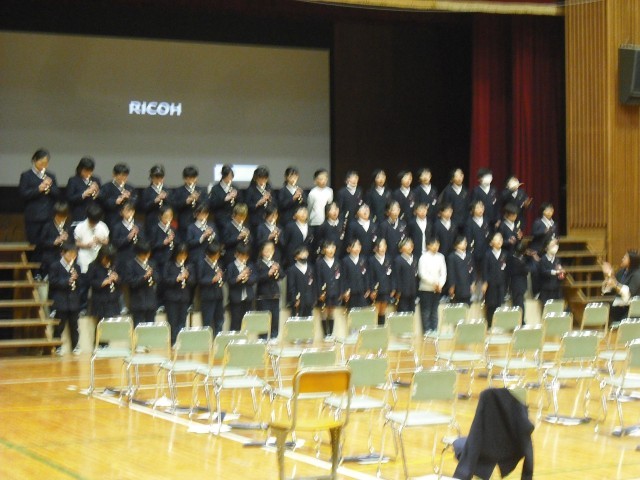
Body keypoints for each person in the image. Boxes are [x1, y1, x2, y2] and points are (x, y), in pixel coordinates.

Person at [19, 148, 60, 267]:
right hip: (33, 217)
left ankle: (45, 270)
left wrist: (50, 187)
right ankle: (34, 271)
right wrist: (38, 189)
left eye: (46, 163)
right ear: (34, 160)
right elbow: (23, 194)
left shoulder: (50, 176)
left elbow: (57, 194)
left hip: (48, 217)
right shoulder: (26, 175)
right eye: (41, 162)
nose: (43, 165)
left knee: (48, 245)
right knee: (34, 245)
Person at [74, 204, 110, 311]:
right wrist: (86, 245)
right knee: (84, 286)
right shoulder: (80, 227)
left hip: (98, 261)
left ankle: (96, 309)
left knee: (98, 286)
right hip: (84, 260)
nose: (94, 223)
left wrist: (100, 241)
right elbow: (76, 243)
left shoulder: (102, 226)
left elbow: (107, 241)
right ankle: (83, 309)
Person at [49, 242, 81, 355]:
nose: (72, 256)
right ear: (62, 253)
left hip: (73, 301)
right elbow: (52, 282)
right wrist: (67, 281)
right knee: (59, 325)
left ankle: (75, 346)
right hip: (60, 301)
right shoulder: (55, 266)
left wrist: (76, 279)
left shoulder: (76, 267)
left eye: (74, 254)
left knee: (74, 325)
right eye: (70, 253)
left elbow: (80, 285)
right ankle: (57, 347)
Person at [162, 243, 194, 344]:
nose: (183, 257)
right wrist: (177, 279)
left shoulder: (189, 266)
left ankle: (181, 343)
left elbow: (193, 282)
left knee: (182, 322)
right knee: (172, 322)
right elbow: (164, 281)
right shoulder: (169, 265)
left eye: (185, 255)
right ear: (176, 254)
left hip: (184, 298)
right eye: (181, 254)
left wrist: (187, 277)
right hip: (171, 299)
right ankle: (173, 343)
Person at [123, 241, 159, 326]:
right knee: (139, 328)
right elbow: (131, 283)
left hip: (150, 302)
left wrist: (152, 275)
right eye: (144, 254)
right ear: (138, 253)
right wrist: (144, 277)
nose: (147, 256)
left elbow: (157, 279)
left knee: (151, 327)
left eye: (148, 253)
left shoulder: (151, 264)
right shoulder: (130, 265)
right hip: (138, 303)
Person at [225, 243, 256, 331]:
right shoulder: (231, 266)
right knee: (235, 322)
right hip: (236, 299)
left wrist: (247, 278)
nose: (244, 258)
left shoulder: (250, 265)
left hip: (248, 298)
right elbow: (229, 282)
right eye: (242, 256)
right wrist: (238, 277)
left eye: (246, 256)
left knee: (247, 321)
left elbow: (255, 278)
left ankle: (245, 338)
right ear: (236, 254)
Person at [255, 241, 284, 337]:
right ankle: (263, 338)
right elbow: (257, 278)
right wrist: (268, 273)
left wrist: (278, 270)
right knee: (263, 318)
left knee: (275, 318)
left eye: (271, 250)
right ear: (262, 251)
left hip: (275, 295)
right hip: (263, 296)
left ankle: (274, 337)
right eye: (266, 250)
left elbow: (282, 276)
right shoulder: (258, 263)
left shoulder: (275, 263)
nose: (269, 252)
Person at [417, 236, 446, 332]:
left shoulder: (441, 257)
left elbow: (443, 273)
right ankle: (427, 331)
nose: (436, 247)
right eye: (434, 245)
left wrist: (440, 284)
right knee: (426, 311)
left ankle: (434, 330)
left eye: (437, 245)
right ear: (428, 246)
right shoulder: (423, 257)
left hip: (437, 289)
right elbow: (422, 274)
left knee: (434, 311)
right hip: (426, 288)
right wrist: (434, 283)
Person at [602, 250, 640, 323]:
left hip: (631, 307)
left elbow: (630, 293)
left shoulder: (637, 274)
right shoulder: (621, 272)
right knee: (603, 306)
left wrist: (615, 284)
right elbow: (612, 287)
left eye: (625, 257)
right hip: (619, 304)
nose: (622, 259)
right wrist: (608, 276)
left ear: (631, 261)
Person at [149, 206, 177, 301]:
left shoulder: (172, 228)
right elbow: (151, 245)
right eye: (166, 216)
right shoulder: (155, 229)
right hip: (159, 260)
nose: (168, 219)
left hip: (170, 259)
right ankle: (159, 302)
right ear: (160, 216)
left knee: (170, 281)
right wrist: (163, 242)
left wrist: (174, 240)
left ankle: (167, 301)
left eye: (170, 216)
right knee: (160, 281)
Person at [197, 242, 226, 335]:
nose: (218, 256)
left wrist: (222, 276)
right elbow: (200, 280)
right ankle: (208, 340)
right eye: (216, 254)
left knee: (220, 320)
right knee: (207, 321)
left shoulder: (218, 263)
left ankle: (218, 338)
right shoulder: (202, 263)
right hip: (207, 296)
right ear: (210, 254)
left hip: (218, 295)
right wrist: (212, 279)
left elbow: (223, 278)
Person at [87, 245, 122, 320]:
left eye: (109, 259)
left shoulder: (114, 265)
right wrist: (102, 282)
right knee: (102, 324)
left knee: (114, 322)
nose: (107, 261)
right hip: (100, 301)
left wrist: (117, 278)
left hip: (113, 300)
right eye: (106, 259)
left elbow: (122, 280)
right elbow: (89, 282)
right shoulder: (93, 266)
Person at [316, 240, 343, 335]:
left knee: (331, 312)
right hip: (324, 293)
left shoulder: (338, 262)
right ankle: (325, 334)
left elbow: (340, 278)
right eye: (328, 247)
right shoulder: (320, 263)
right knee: (324, 312)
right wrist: (320, 293)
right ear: (324, 250)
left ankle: (330, 334)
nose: (331, 250)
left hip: (334, 292)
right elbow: (318, 279)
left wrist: (340, 292)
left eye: (333, 247)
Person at [482, 232, 508, 327]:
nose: (499, 241)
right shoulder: (487, 254)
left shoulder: (504, 254)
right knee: (491, 305)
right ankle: (489, 326)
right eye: (497, 239)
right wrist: (485, 282)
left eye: (501, 239)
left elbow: (507, 270)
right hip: (491, 284)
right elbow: (485, 270)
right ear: (492, 242)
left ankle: (498, 325)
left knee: (499, 305)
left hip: (501, 284)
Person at [100, 163, 136, 230]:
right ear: (114, 175)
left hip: (127, 221)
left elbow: (135, 203)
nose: (123, 177)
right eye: (121, 175)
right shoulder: (106, 187)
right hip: (112, 220)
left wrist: (129, 199)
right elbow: (103, 203)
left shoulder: (130, 188)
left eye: (125, 175)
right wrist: (116, 201)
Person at [39, 201, 70, 278]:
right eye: (60, 216)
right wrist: (54, 242)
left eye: (64, 216)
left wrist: (67, 239)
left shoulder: (67, 226)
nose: (62, 219)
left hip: (64, 255)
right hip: (50, 254)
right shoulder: (48, 226)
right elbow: (41, 242)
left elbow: (72, 243)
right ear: (55, 214)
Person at [173, 166, 205, 239]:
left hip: (199, 224)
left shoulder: (202, 190)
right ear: (184, 179)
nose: (191, 181)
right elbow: (175, 207)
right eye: (188, 178)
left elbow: (207, 205)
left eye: (193, 178)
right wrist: (186, 201)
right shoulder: (178, 191)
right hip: (184, 225)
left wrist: (198, 199)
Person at [66, 156, 101, 224]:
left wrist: (97, 192)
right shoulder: (73, 180)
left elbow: (102, 198)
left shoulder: (96, 180)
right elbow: (69, 199)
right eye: (85, 171)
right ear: (80, 169)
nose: (88, 173)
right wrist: (83, 194)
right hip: (79, 215)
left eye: (90, 171)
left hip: (93, 214)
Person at [368, 238, 395, 325]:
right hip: (376, 291)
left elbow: (392, 275)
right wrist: (372, 290)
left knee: (382, 311)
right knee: (375, 311)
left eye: (384, 246)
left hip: (386, 289)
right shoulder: (371, 260)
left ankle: (381, 328)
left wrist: (393, 288)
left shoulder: (389, 259)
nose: (382, 248)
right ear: (376, 248)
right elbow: (370, 277)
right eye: (380, 246)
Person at [110, 201, 144, 269]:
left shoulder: (139, 225)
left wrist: (138, 234)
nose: (130, 213)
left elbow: (144, 241)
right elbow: (115, 244)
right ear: (121, 212)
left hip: (137, 257)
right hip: (123, 259)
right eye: (127, 211)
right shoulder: (117, 227)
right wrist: (128, 237)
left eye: (131, 211)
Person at [139, 165, 170, 236]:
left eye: (161, 177)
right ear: (152, 178)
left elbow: (173, 206)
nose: (159, 180)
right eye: (156, 177)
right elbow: (143, 207)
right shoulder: (146, 191)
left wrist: (166, 198)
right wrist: (155, 200)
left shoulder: (167, 190)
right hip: (152, 222)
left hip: (165, 222)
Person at [465, 200, 490, 287]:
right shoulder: (469, 223)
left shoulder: (486, 221)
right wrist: (470, 251)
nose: (480, 209)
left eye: (482, 207)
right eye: (478, 207)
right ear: (473, 209)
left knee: (485, 273)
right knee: (474, 274)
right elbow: (468, 239)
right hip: (474, 252)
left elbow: (488, 237)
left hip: (485, 252)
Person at [286, 245, 316, 317]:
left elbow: (314, 285)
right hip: (298, 302)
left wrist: (314, 299)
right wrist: (294, 300)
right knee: (297, 321)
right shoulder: (292, 270)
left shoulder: (311, 268)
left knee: (309, 320)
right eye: (301, 254)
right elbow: (291, 287)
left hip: (309, 301)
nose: (304, 256)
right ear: (295, 257)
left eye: (305, 253)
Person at [341, 238, 371, 309]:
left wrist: (367, 288)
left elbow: (366, 275)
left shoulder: (363, 259)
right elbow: (343, 278)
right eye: (354, 246)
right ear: (349, 248)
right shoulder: (345, 261)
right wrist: (345, 290)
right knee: (352, 312)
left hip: (362, 291)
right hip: (351, 293)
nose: (357, 248)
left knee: (363, 312)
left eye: (359, 246)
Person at [209, 164, 239, 231]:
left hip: (233, 218)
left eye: (231, 177)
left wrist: (236, 197)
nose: (230, 179)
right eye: (229, 176)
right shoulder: (215, 189)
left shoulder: (235, 188)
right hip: (220, 219)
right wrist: (225, 199)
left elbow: (240, 203)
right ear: (224, 176)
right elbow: (212, 205)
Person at [394, 237, 420, 314]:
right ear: (401, 248)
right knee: (403, 314)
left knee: (412, 313)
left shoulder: (415, 259)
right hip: (402, 293)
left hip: (413, 291)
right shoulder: (398, 260)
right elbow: (397, 277)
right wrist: (398, 291)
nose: (410, 247)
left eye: (411, 245)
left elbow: (416, 275)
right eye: (407, 245)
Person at [439, 168, 469, 232]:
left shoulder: (465, 191)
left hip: (464, 222)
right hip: (452, 222)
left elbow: (468, 206)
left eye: (461, 175)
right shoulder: (447, 191)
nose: (459, 178)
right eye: (457, 176)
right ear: (452, 178)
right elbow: (445, 206)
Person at [447, 236, 474, 305]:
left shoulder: (469, 255)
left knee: (467, 306)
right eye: (462, 242)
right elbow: (451, 273)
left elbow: (472, 270)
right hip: (457, 287)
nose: (465, 243)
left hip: (467, 286)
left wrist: (472, 283)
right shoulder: (452, 257)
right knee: (457, 306)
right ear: (456, 245)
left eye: (465, 242)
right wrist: (452, 286)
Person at [538, 238, 565, 304]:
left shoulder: (557, 259)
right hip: (546, 290)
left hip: (556, 290)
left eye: (556, 245)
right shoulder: (543, 260)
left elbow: (559, 271)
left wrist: (561, 274)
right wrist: (555, 272)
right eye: (552, 245)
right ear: (546, 247)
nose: (555, 247)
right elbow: (543, 272)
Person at [307, 168, 333, 233]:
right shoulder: (312, 193)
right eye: (321, 179)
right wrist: (308, 220)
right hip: (315, 221)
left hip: (326, 221)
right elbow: (309, 208)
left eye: (325, 178)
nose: (324, 181)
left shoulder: (329, 191)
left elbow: (330, 206)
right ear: (316, 180)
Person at [508, 241, 530, 315]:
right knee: (518, 303)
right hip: (517, 284)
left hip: (518, 284)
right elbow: (526, 270)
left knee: (518, 302)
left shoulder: (520, 259)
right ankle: (520, 319)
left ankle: (520, 318)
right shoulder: (516, 260)